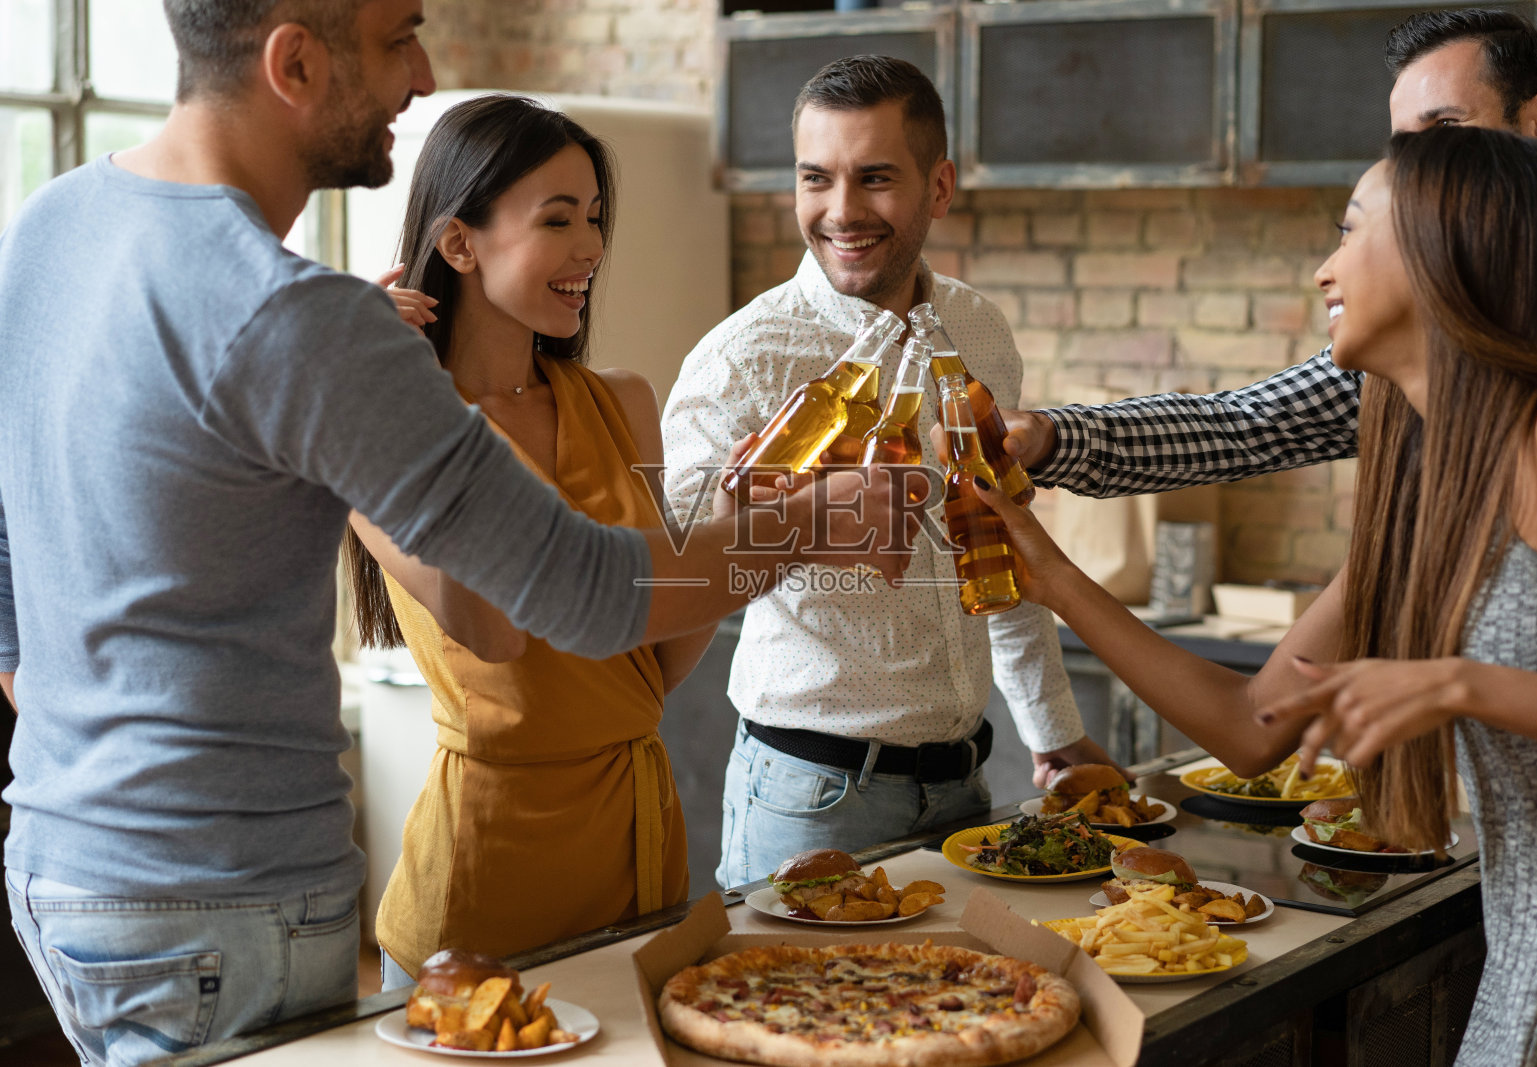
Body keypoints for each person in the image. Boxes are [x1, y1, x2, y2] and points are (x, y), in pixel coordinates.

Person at [0, 3, 911, 1063]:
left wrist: (84, 733)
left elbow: (9, 543)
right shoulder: (299, 316)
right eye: (397, 38)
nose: (424, 75)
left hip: (70, 865)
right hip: (229, 900)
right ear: (291, 61)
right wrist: (799, 521)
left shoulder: (54, 220)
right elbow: (570, 592)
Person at [978, 125, 1537, 1066]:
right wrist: (1053, 576)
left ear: (1444, 250)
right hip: (1528, 962)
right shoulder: (1429, 481)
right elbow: (1249, 723)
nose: (1324, 269)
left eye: (1350, 232)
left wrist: (1459, 683)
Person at [660, 55, 1117, 889]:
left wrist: (1050, 726)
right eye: (815, 179)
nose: (841, 212)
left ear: (938, 187)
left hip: (966, 788)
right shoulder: (741, 359)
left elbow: (1000, 545)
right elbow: (677, 573)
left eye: (874, 178)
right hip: (810, 797)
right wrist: (791, 512)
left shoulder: (979, 332)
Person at [345, 95, 723, 988]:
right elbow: (491, 626)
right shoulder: (379, 426)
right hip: (487, 868)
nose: (591, 247)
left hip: (638, 848)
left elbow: (658, 665)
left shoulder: (623, 401)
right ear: (459, 243)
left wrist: (736, 535)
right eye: (557, 220)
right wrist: (359, 374)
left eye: (594, 218)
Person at [993, 9, 1537, 497]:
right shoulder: (1413, 333)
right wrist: (1049, 435)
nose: (1414, 174)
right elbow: (1242, 426)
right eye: (1405, 150)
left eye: (1447, 130)